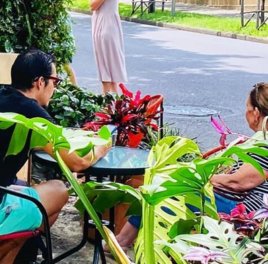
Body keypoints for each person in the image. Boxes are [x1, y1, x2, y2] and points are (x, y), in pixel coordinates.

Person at [0, 49, 112, 264]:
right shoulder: (30, 112)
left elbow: (39, 143)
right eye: (55, 81)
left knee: (34, 202)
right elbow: (77, 163)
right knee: (59, 191)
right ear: (40, 82)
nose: (55, 88)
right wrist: (102, 146)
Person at [114, 82, 268, 249]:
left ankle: (124, 242)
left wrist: (196, 177)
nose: (245, 112)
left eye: (247, 107)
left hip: (239, 210)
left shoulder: (264, 145)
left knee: (159, 191)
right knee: (160, 188)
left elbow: (238, 182)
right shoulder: (260, 141)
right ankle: (127, 241)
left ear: (256, 113)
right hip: (231, 200)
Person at [88, 0, 127, 94]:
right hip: (104, 30)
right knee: (108, 69)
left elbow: (93, 5)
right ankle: (112, 102)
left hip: (106, 31)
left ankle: (108, 102)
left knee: (107, 69)